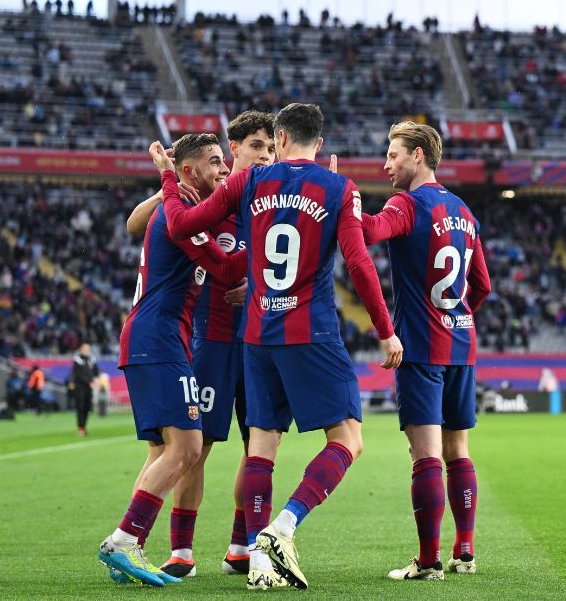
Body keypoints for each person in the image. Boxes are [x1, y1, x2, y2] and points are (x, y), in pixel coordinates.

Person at [150, 102, 402, 591]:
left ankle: (257, 559)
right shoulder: (339, 188)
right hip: (310, 331)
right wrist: (385, 329)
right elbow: (358, 262)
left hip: (256, 333)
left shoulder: (247, 183)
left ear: (281, 139)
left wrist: (166, 181)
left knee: (262, 445)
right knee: (348, 439)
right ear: (320, 144)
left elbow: (181, 225)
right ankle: (280, 529)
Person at [125, 111, 276, 579]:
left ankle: (243, 546)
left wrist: (256, 287)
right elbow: (137, 227)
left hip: (257, 338)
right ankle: (181, 551)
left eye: (271, 148)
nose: (266, 156)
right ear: (234, 152)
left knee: (260, 445)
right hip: (208, 337)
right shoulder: (212, 195)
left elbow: (289, 265)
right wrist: (168, 184)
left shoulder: (273, 202)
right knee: (197, 445)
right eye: (256, 146)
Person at [98, 134, 250, 587]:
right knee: (186, 447)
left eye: (225, 160)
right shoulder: (180, 215)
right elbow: (223, 268)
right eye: (214, 161)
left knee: (165, 450)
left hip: (154, 338)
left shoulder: (182, 208)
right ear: (188, 171)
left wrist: (167, 176)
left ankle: (131, 545)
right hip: (160, 339)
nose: (223, 169)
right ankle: (124, 540)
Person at [355, 122, 492, 581]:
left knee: (426, 455)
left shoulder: (406, 204)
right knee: (459, 450)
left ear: (417, 155)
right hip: (462, 344)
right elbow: (483, 285)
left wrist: (345, 200)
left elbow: (371, 231)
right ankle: (465, 550)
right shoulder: (464, 211)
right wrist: (455, 316)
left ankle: (429, 560)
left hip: (421, 348)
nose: (386, 164)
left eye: (392, 154)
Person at [69, 343, 99, 435]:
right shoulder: (77, 360)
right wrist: (72, 382)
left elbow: (96, 372)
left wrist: (95, 380)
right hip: (80, 387)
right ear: (81, 350)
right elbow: (75, 373)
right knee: (80, 408)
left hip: (89, 387)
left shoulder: (92, 360)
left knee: (87, 408)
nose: (86, 351)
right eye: (85, 349)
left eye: (88, 349)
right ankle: (80, 427)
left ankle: (84, 427)